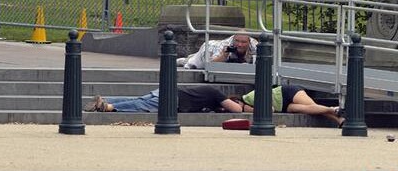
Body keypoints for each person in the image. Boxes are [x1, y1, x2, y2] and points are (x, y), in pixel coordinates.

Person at [84, 85, 243, 113]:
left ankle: (107, 99)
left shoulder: (208, 96)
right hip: (173, 99)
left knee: (139, 99)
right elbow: (237, 109)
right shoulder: (216, 93)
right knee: (141, 105)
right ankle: (108, 106)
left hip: (168, 92)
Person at [240, 85, 345, 127]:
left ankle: (334, 111)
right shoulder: (247, 103)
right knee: (308, 109)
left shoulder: (250, 97)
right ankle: (338, 117)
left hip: (286, 92)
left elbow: (270, 109)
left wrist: (248, 108)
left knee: (312, 105)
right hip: (283, 106)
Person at [178, 32, 258, 69]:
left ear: (249, 41)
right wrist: (223, 56)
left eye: (243, 42)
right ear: (233, 39)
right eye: (237, 41)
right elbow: (211, 64)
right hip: (209, 49)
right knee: (192, 63)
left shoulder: (255, 45)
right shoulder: (225, 45)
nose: (240, 45)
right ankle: (179, 60)